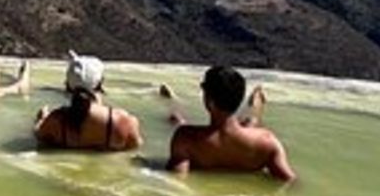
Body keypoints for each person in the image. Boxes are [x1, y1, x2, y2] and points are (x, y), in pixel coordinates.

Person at [163, 66, 295, 181]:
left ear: (210, 101)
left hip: (201, 137)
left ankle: (172, 102)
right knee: (251, 121)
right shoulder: (267, 142)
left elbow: (177, 182)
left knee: (177, 119)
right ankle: (256, 100)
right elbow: (289, 181)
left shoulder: (186, 139)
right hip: (245, 138)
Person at [34, 51, 142, 151]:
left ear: (68, 85)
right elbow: (135, 149)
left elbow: (39, 135)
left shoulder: (55, 121)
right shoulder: (124, 122)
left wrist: (41, 119)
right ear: (100, 83)